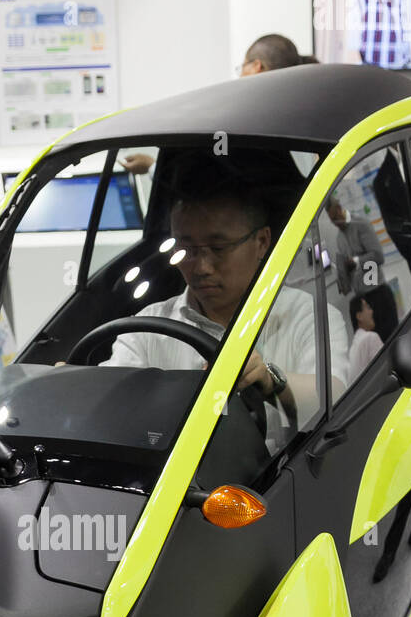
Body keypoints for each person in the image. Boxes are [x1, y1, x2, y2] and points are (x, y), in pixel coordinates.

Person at [101, 171, 348, 431]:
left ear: (262, 242)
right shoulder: (147, 328)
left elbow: (333, 397)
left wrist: (268, 379)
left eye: (218, 249)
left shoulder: (310, 316)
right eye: (186, 250)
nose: (201, 267)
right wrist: (76, 384)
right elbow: (113, 394)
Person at [120, 36, 314, 178]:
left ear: (257, 66)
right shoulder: (302, 122)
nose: (239, 76)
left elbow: (211, 182)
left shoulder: (246, 123)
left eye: (242, 67)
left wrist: (152, 166)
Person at [324, 194, 384, 296]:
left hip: (377, 291)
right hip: (360, 295)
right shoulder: (340, 238)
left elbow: (378, 256)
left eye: (335, 218)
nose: (335, 223)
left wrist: (356, 262)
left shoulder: (360, 224)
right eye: (332, 221)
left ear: (339, 208)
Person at [348, 295, 383, 380]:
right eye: (368, 308)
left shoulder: (354, 347)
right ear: (359, 316)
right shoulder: (370, 338)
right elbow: (385, 370)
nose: (371, 311)